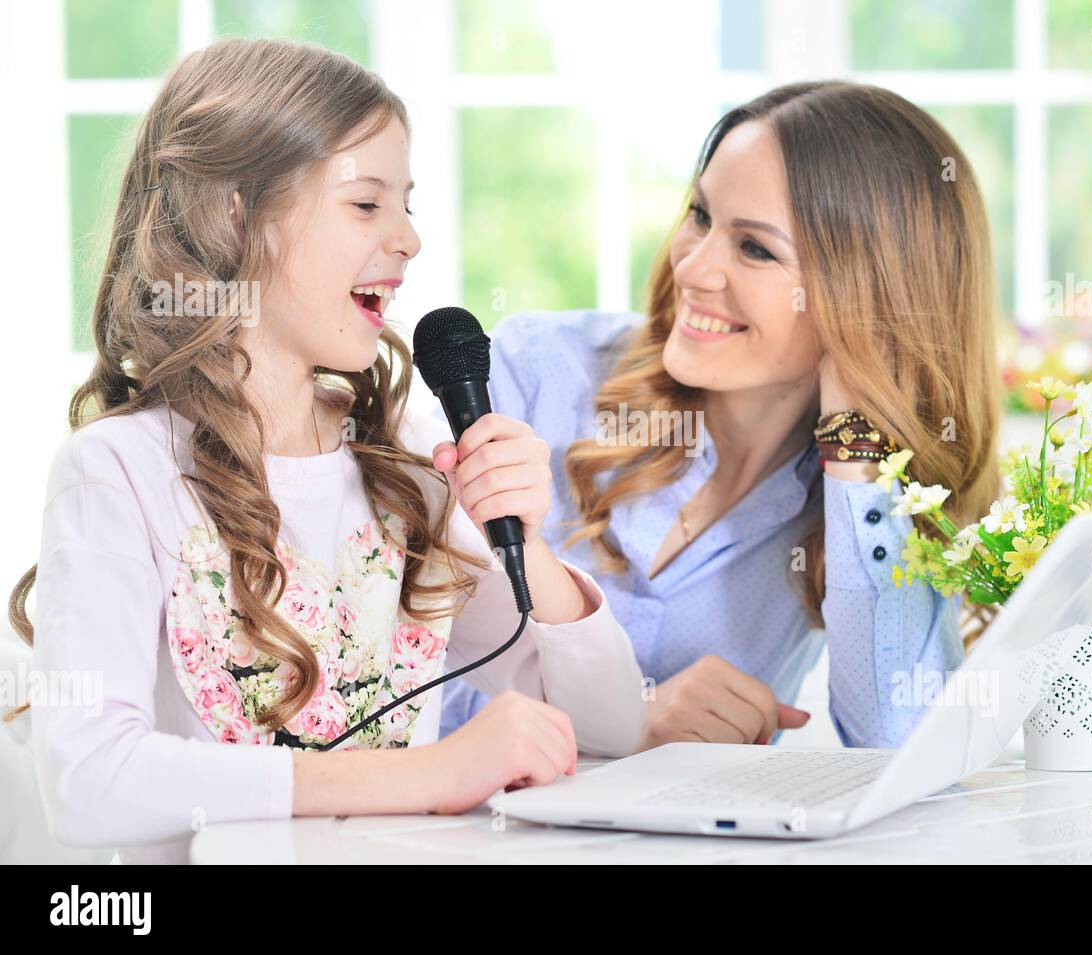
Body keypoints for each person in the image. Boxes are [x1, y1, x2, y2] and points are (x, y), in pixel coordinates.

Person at [5, 38, 644, 863]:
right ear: (235, 214)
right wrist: (426, 774)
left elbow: (611, 724)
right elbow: (89, 781)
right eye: (366, 204)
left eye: (407, 204)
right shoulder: (117, 471)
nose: (409, 238)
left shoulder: (400, 458)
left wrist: (534, 547)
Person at [438, 81, 1002, 753]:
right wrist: (626, 717)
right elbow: (411, 675)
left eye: (756, 249)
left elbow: (902, 741)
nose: (694, 267)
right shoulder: (535, 374)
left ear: (868, 300)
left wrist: (857, 440)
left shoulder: (860, 498)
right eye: (702, 215)